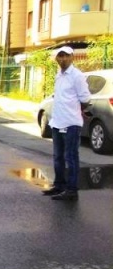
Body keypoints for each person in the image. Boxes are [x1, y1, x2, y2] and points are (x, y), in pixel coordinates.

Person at [42, 46, 91, 201]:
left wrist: (77, 110)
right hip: (57, 122)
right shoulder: (59, 75)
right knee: (58, 157)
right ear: (56, 58)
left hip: (71, 123)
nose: (62, 59)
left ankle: (71, 190)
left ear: (72, 58)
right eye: (60, 56)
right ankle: (59, 186)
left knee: (70, 157)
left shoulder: (77, 76)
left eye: (66, 56)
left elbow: (85, 99)